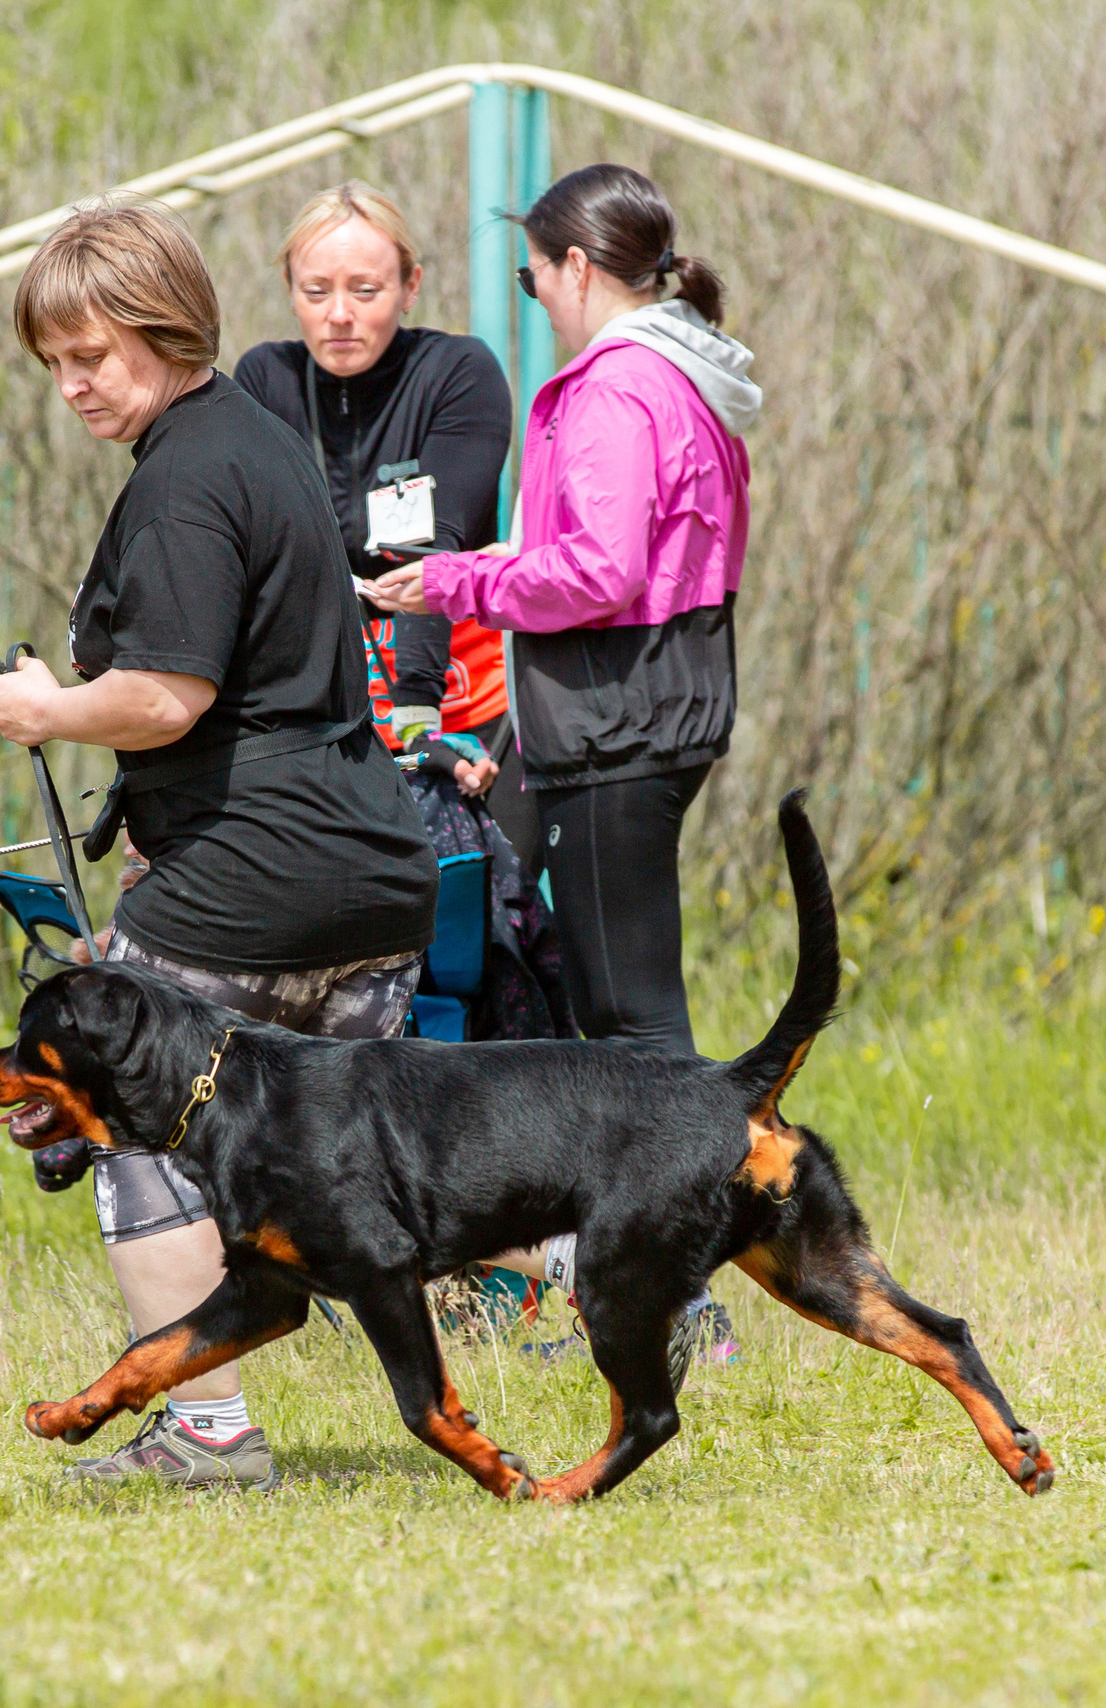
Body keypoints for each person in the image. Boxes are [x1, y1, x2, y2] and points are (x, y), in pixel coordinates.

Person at [0, 198, 438, 1489]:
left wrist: (45, 707)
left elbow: (168, 693)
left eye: (92, 356)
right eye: (53, 363)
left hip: (250, 873)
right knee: (382, 1167)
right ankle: (626, 1265)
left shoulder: (182, 483)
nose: (70, 385)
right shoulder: (263, 437)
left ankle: (208, 1432)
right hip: (375, 873)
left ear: (165, 327)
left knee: (137, 1136)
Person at [365, 162, 762, 1373]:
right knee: (568, 978)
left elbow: (594, 572)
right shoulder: (686, 371)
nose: (536, 298)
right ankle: (584, 1269)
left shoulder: (617, 389)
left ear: (578, 271)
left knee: (628, 1018)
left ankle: (680, 1293)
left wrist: (455, 578)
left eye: (536, 279)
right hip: (639, 712)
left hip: (617, 720)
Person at [232, 182, 537, 862]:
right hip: (333, 711)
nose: (339, 315)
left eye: (365, 291)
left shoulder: (459, 371)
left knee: (471, 947)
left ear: (410, 285)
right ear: (289, 290)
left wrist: (420, 720)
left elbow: (431, 551)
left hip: (465, 701)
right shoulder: (264, 379)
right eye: (316, 292)